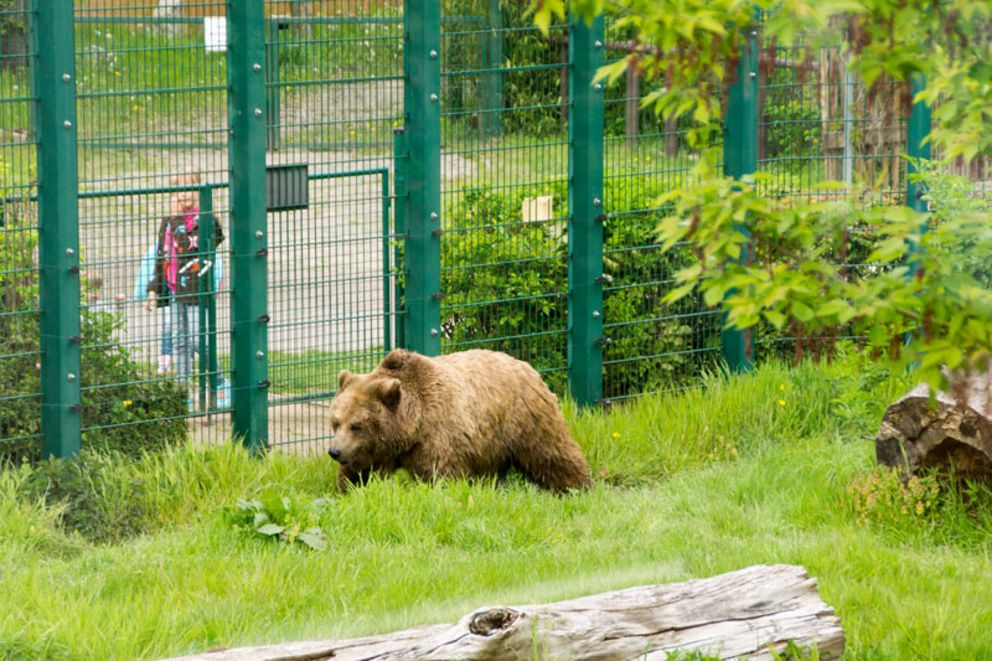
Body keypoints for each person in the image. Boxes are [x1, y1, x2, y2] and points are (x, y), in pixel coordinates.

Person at [147, 174, 225, 391]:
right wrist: (153, 290)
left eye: (188, 187)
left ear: (197, 190)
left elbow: (210, 242)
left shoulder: (203, 220)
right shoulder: (169, 221)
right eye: (178, 189)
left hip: (196, 288)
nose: (183, 193)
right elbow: (162, 256)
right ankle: (183, 388)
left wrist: (208, 213)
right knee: (179, 341)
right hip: (174, 289)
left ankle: (218, 382)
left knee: (199, 340)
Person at [136, 243, 173, 374]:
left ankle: (183, 364)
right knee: (168, 325)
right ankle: (165, 363)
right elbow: (157, 277)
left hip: (186, 294)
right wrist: (151, 296)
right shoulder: (163, 253)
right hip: (169, 296)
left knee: (186, 330)